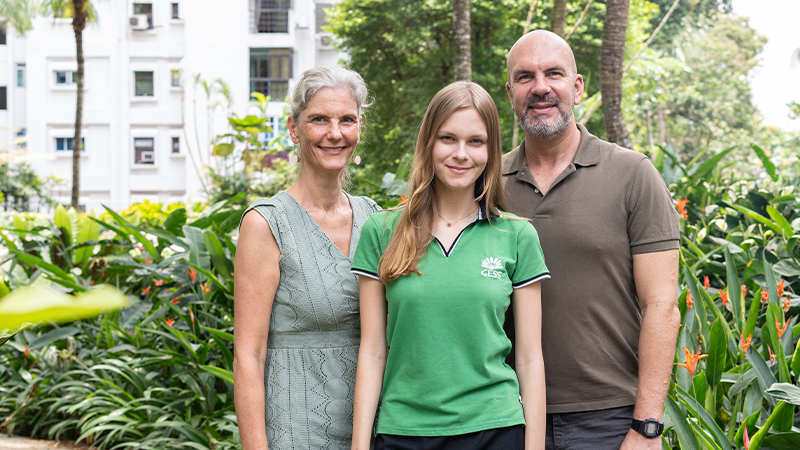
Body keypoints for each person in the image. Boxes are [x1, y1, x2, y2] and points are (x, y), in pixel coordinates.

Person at [501, 30, 681, 450]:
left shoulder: (633, 174)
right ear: (510, 93)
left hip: (608, 419)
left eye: (554, 74)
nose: (540, 87)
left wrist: (647, 426)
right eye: (525, 77)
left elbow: (662, 306)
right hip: (507, 412)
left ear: (577, 87)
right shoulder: (486, 182)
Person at [350, 81, 549, 450]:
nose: (461, 154)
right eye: (448, 138)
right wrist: (359, 446)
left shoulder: (517, 236)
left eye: (476, 141)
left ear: (491, 150)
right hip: (403, 433)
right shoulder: (380, 232)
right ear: (428, 142)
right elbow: (374, 350)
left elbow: (529, 357)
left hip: (495, 429)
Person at [233, 66, 380, 450]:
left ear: (360, 128)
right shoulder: (266, 223)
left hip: (373, 430)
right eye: (319, 119)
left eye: (347, 120)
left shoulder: (376, 219)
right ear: (294, 129)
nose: (335, 133)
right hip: (295, 431)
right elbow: (248, 355)